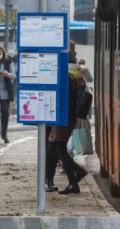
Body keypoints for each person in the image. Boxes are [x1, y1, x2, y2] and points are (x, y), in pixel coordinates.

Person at [45, 47, 88, 194]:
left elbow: (66, 99)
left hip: (63, 117)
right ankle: (74, 181)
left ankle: (77, 175)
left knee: (58, 148)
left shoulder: (66, 75)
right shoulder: (75, 73)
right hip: (66, 117)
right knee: (53, 148)